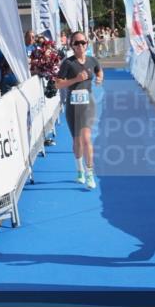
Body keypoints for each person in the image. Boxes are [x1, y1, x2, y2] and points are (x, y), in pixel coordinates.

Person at [54, 31, 103, 189]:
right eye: (77, 43)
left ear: (87, 44)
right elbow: (58, 84)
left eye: (83, 42)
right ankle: (80, 170)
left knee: (86, 138)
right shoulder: (68, 63)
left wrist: (100, 78)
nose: (80, 45)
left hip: (88, 103)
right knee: (76, 141)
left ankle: (90, 173)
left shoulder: (92, 60)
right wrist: (76, 79)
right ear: (72, 46)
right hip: (72, 104)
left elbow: (98, 70)